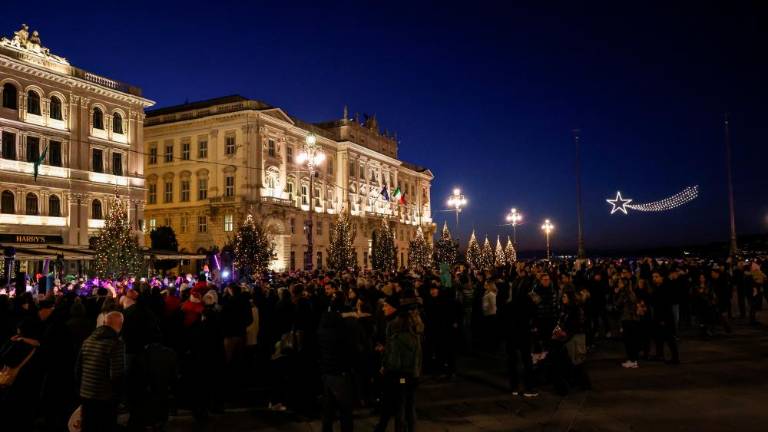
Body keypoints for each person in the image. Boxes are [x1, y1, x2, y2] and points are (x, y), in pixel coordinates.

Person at [374, 289, 423, 432]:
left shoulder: (395, 326)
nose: (383, 308)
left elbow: (395, 358)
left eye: (386, 305)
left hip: (400, 375)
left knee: (400, 407)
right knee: (409, 405)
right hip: (413, 372)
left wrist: (385, 365)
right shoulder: (413, 323)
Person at [76, 311, 125, 432]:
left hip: (86, 393)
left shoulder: (88, 340)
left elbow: (78, 368)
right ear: (120, 325)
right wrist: (119, 396)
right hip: (105, 396)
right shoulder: (116, 344)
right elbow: (116, 374)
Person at [317, 294, 358, 432]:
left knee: (328, 409)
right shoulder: (342, 331)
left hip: (326, 371)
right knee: (345, 410)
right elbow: (350, 350)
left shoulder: (322, 329)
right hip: (340, 373)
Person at [502, 269, 537, 397]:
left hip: (512, 334)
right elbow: (534, 315)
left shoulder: (509, 304)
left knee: (513, 360)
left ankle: (514, 386)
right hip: (523, 333)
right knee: (526, 360)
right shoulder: (528, 303)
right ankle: (529, 386)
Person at [650, 271, 679, 364]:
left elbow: (665, 305)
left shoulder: (665, 288)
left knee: (669, 338)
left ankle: (675, 358)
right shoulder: (657, 287)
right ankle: (659, 355)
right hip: (658, 316)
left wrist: (663, 319)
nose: (654, 278)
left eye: (656, 276)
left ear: (662, 277)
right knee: (658, 337)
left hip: (665, 317)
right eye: (653, 277)